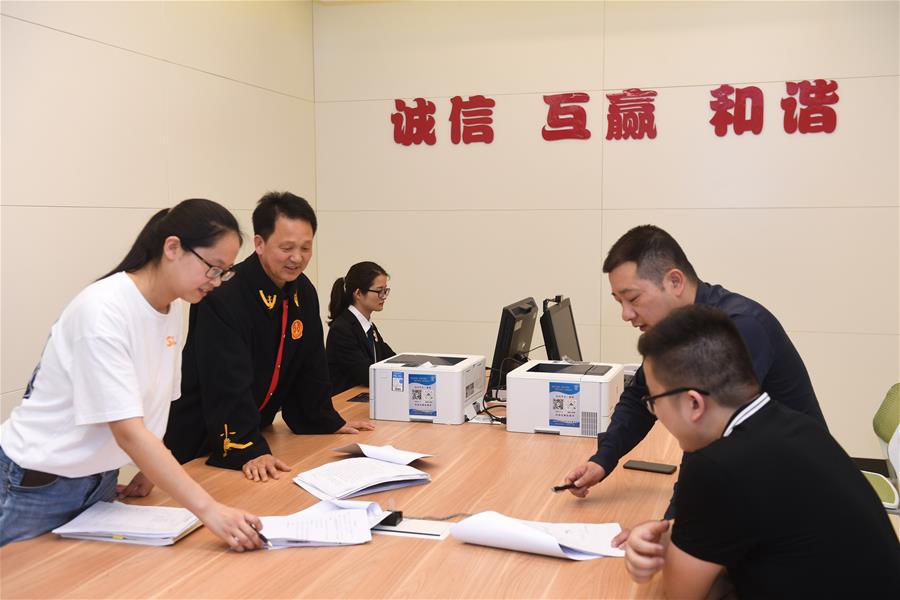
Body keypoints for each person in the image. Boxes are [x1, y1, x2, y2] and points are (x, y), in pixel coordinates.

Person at [0, 199, 263, 550]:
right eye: (213, 268)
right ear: (173, 248)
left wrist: (153, 468)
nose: (217, 282)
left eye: (225, 272)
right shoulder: (103, 311)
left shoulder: (171, 308)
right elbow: (128, 433)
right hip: (36, 485)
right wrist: (210, 510)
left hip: (99, 482)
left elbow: (156, 406)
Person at [623, 305, 900, 598]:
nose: (655, 411)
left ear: (694, 403)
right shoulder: (796, 426)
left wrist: (664, 553)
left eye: (653, 401)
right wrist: (671, 536)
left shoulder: (716, 466)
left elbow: (681, 594)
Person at [564, 225, 826, 505]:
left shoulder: (739, 328)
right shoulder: (677, 329)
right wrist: (602, 460)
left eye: (633, 298)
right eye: (619, 302)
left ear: (675, 282)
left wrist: (677, 520)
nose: (626, 314)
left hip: (800, 489)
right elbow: (640, 395)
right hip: (758, 478)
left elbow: (711, 437)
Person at [163, 192, 374, 484]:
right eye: (287, 248)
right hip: (204, 436)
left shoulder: (303, 291)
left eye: (306, 248)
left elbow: (311, 365)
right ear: (259, 243)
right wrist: (248, 447)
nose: (297, 258)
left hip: (257, 429)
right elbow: (226, 379)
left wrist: (324, 419)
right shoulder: (224, 293)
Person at [326, 261, 396, 394]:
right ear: (358, 293)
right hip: (344, 400)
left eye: (385, 291)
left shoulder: (369, 327)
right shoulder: (341, 330)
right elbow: (365, 374)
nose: (384, 296)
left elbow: (389, 359)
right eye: (379, 291)